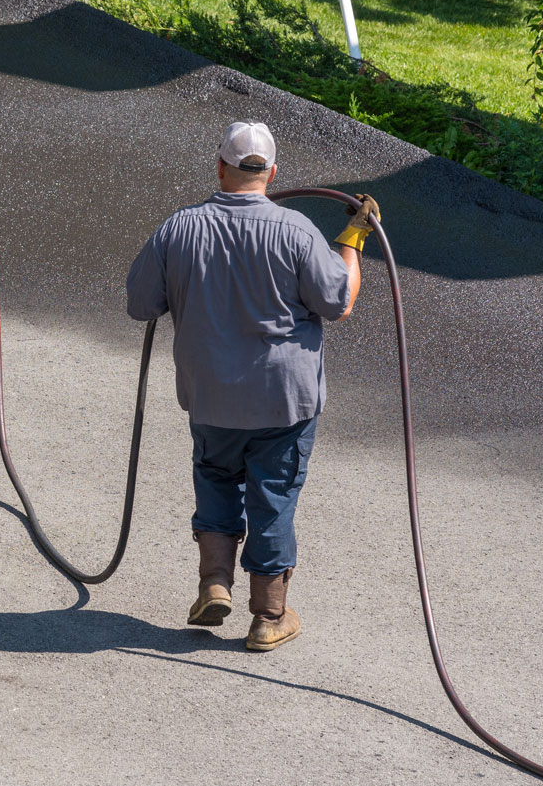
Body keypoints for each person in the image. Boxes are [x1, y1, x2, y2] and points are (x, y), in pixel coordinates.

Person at [125, 120, 378, 651]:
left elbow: (140, 303)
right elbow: (339, 303)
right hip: (283, 400)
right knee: (273, 496)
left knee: (216, 478)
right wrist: (352, 239)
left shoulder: (179, 228)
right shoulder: (297, 230)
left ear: (219, 167)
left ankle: (214, 583)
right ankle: (268, 616)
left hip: (211, 396)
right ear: (273, 173)